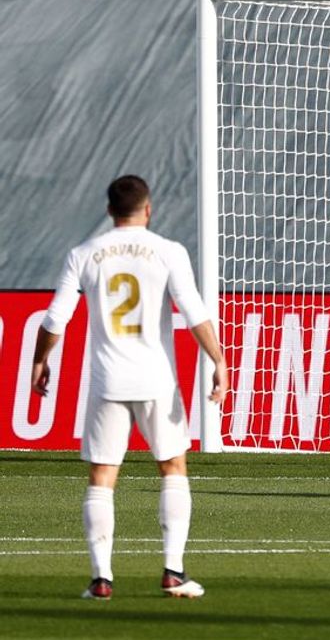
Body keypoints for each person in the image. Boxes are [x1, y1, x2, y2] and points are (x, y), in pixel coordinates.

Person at [30, 175, 229, 600]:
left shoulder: (84, 253)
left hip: (107, 381)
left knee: (103, 477)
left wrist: (40, 360)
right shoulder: (168, 251)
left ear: (109, 212)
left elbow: (55, 319)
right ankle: (173, 571)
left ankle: (101, 579)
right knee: (172, 468)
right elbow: (193, 311)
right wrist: (218, 360)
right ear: (148, 208)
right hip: (157, 380)